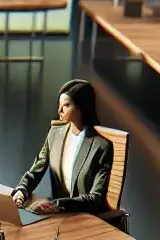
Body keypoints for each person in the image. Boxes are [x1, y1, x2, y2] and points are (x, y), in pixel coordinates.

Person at [11, 79, 114, 215]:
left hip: (86, 217)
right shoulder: (55, 134)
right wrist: (22, 190)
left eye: (66, 105)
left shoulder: (101, 146)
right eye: (60, 105)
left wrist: (57, 204)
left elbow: (96, 198)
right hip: (58, 215)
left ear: (81, 107)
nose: (60, 110)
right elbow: (36, 170)